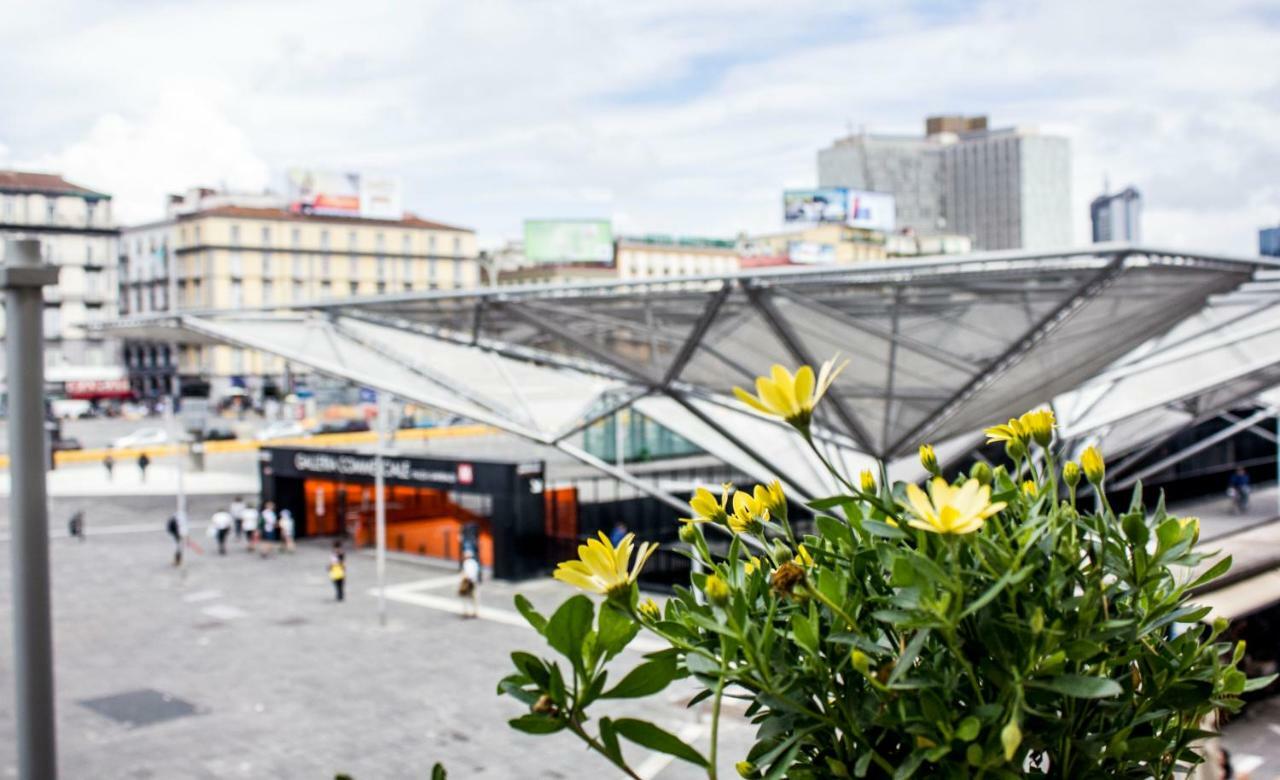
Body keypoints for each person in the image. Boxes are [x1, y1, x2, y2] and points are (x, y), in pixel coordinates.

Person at [459, 551, 480, 619]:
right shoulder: (475, 563)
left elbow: (467, 574)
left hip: (468, 582)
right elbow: (476, 572)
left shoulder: (466, 563)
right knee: (474, 598)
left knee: (465, 597)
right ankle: (475, 612)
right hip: (474, 581)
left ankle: (466, 612)